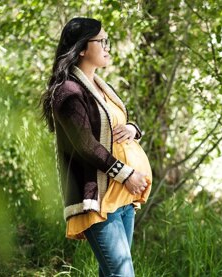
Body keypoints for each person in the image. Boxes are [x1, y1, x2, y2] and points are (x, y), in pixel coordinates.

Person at [40, 17, 152, 276]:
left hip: (123, 198)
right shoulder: (67, 91)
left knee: (110, 272)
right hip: (99, 200)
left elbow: (116, 124)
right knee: (122, 274)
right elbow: (85, 144)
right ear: (81, 48)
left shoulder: (103, 87)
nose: (107, 46)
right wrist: (126, 174)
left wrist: (134, 128)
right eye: (101, 41)